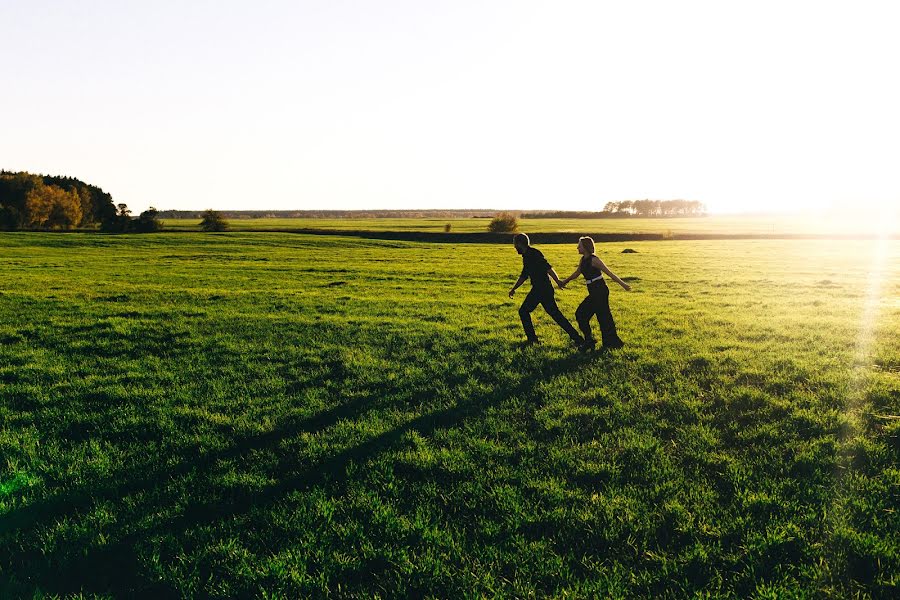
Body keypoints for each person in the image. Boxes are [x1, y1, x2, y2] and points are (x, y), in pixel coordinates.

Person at [508, 233, 583, 347]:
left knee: (524, 311)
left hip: (541, 289)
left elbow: (548, 268)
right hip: (542, 289)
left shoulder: (533, 254)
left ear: (519, 244)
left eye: (514, 244)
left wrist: (558, 281)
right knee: (556, 315)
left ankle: (532, 340)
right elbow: (524, 275)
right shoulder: (527, 255)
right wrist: (514, 289)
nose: (514, 247)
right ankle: (578, 339)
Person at [559, 236, 631, 351]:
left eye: (580, 245)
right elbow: (577, 273)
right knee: (581, 314)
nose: (577, 247)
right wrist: (564, 282)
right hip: (593, 290)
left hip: (600, 290)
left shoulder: (594, 260)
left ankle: (611, 343)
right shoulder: (583, 260)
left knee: (603, 317)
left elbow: (609, 273)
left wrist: (623, 285)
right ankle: (589, 340)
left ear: (586, 247)